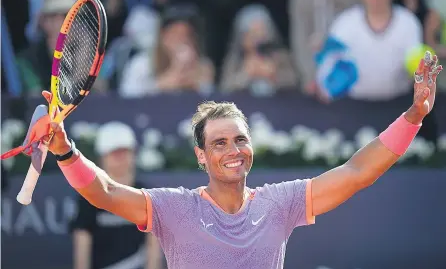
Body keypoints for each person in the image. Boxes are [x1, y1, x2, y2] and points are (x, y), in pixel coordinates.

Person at [40, 53, 441, 269]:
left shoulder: (279, 203)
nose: (232, 150)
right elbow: (105, 192)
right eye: (219, 143)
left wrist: (414, 117)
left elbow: (356, 173)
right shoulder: (174, 208)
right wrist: (63, 149)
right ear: (200, 155)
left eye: (239, 139)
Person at [69, 122, 164, 269]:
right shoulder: (89, 197)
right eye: (114, 153)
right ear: (102, 157)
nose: (120, 158)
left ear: (134, 153)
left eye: (124, 152)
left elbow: (154, 246)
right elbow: (82, 245)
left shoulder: (148, 195)